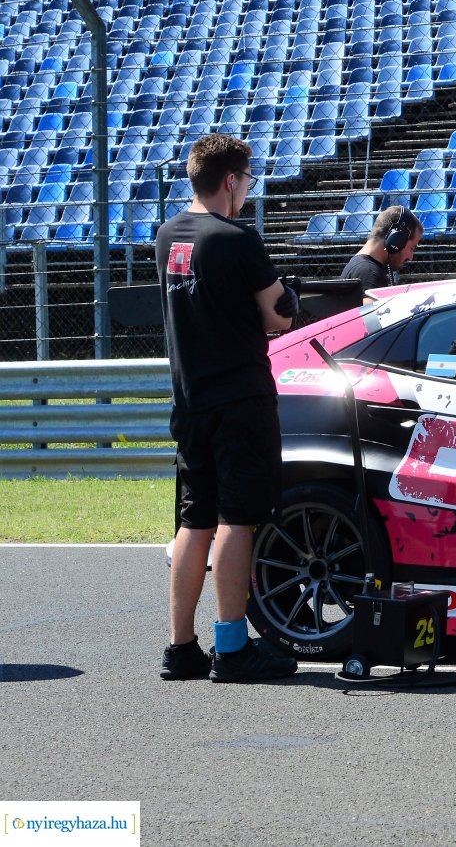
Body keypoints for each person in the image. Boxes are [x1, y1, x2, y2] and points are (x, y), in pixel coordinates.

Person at [157, 134, 298, 682]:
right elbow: (277, 317)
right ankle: (233, 647)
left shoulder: (167, 235)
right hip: (240, 398)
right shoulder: (238, 238)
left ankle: (180, 647)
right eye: (247, 182)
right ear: (230, 181)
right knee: (236, 521)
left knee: (194, 521)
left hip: (189, 398)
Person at [339, 205, 422, 290]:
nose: (410, 258)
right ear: (397, 240)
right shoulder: (369, 273)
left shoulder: (362, 267)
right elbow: (368, 304)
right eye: (412, 248)